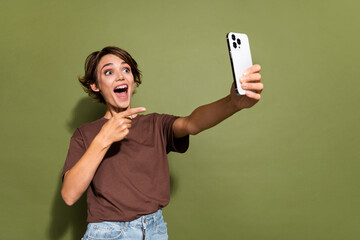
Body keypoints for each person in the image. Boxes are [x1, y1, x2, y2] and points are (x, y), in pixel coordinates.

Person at [61, 46, 263, 240]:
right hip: (109, 233)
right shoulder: (85, 134)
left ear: (132, 79)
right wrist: (104, 138)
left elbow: (192, 123)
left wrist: (232, 103)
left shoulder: (155, 124)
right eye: (108, 72)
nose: (121, 76)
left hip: (154, 230)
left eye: (126, 69)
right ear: (95, 85)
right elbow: (69, 195)